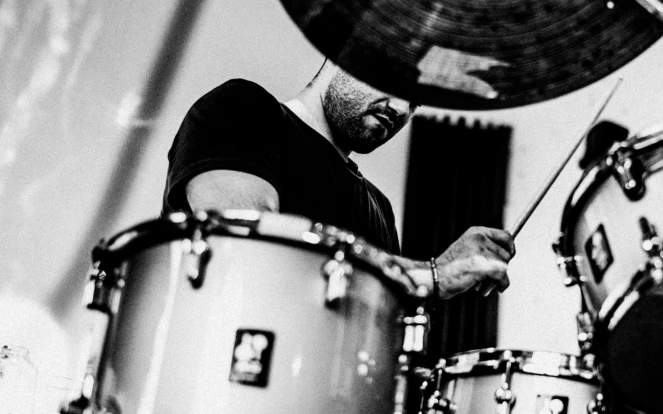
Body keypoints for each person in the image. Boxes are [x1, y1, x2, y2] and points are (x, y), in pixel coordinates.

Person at [162, 60, 514, 299]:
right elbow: (245, 247)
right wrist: (431, 275)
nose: (402, 108)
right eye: (394, 81)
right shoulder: (243, 107)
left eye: (417, 101)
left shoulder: (380, 208)